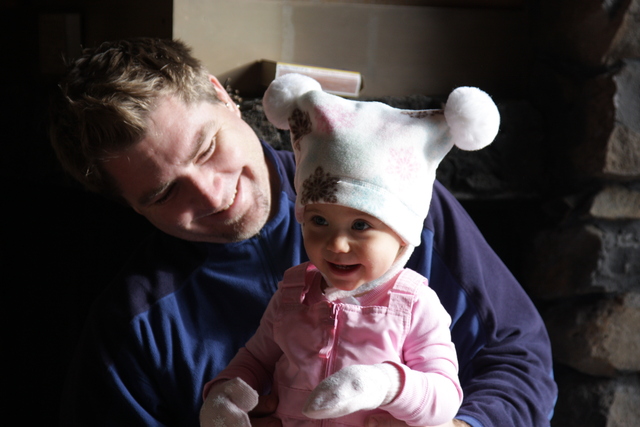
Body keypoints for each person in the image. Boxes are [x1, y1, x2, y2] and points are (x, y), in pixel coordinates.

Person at [50, 38, 557, 427]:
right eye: (164, 194)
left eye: (206, 148)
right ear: (130, 206)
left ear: (222, 96)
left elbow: (520, 357)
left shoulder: (393, 200)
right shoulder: (132, 327)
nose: (211, 194)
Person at [200, 73, 501, 426]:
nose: (336, 244)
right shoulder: (292, 294)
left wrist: (386, 384)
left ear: (402, 234)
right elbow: (255, 359)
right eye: (319, 221)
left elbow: (445, 396)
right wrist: (222, 394)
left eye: (361, 225)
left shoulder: (414, 304)